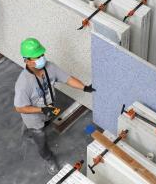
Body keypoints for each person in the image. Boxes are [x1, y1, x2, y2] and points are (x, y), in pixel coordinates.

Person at [14, 37, 95, 174]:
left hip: (48, 110)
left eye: (41, 55)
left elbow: (67, 79)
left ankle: (28, 131)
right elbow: (20, 107)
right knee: (41, 139)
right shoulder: (23, 83)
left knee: (44, 125)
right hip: (34, 117)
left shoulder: (50, 67)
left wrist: (84, 87)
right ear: (27, 61)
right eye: (37, 57)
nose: (41, 58)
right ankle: (49, 159)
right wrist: (41, 109)